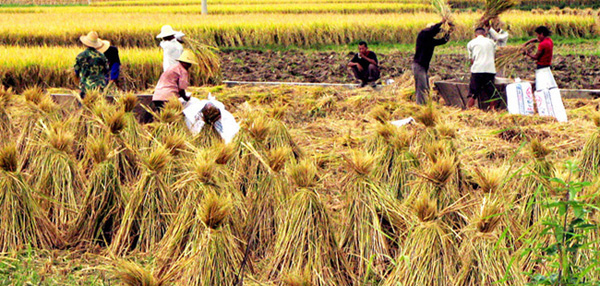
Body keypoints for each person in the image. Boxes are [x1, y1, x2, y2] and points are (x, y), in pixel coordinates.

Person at [413, 20, 452, 105]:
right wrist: (442, 22)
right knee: (421, 87)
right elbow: (431, 30)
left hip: (423, 67)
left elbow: (443, 41)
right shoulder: (423, 35)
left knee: (425, 86)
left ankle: (425, 104)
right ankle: (420, 105)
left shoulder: (430, 41)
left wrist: (449, 31)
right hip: (419, 66)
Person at [467, 27, 497, 110]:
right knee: (492, 92)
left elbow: (471, 60)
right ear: (484, 34)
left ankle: (469, 110)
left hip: (477, 70)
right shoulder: (491, 42)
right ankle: (493, 109)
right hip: (490, 70)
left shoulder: (471, 43)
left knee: (473, 93)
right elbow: (494, 55)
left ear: (475, 35)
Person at [74, 31, 109, 98]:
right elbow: (106, 71)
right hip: (99, 87)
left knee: (84, 106)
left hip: (85, 87)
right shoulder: (102, 56)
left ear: (86, 44)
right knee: (98, 104)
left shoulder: (80, 56)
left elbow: (76, 71)